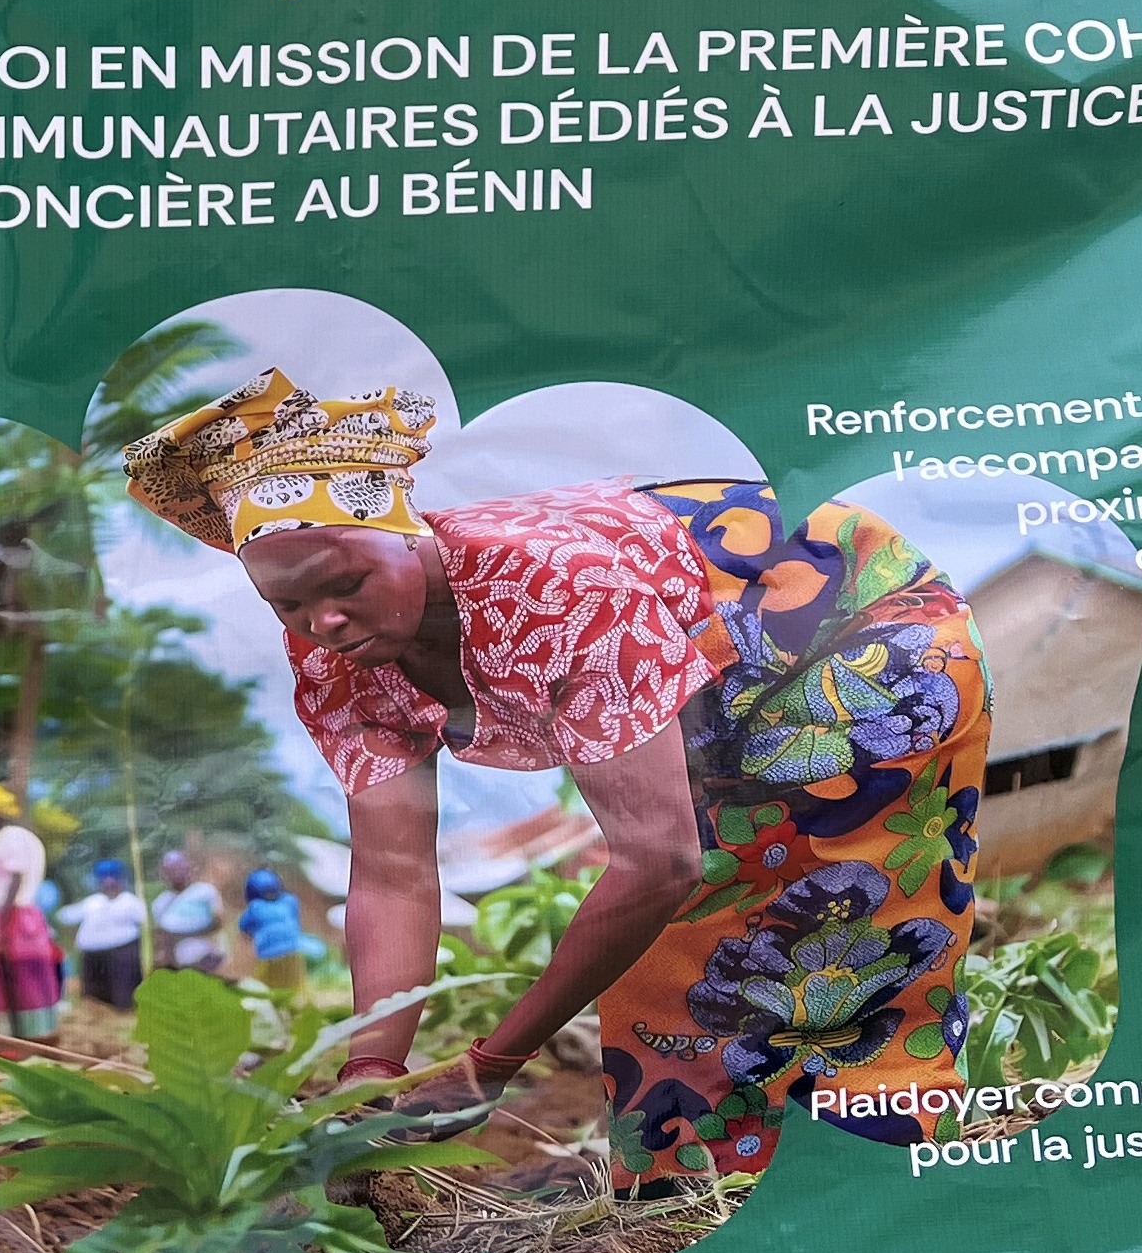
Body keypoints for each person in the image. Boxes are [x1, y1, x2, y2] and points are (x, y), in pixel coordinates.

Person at [125, 367, 987, 1195]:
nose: (325, 622)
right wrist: (371, 1067)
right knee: (693, 963)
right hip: (720, 699)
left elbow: (655, 861)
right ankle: (708, 1190)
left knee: (773, 911)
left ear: (406, 529)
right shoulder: (335, 657)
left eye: (343, 583)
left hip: (863, 638)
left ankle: (877, 1178)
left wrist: (488, 1065)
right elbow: (394, 869)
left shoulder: (549, 591)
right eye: (288, 606)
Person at [0, 822, 65, 1044]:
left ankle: (17, 1044)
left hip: (9, 921)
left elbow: (15, 878)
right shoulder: (11, 839)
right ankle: (12, 1041)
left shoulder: (13, 837)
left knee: (15, 980)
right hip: (5, 919)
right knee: (11, 980)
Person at [67, 856, 149, 1013]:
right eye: (104, 879)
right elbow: (68, 917)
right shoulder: (92, 902)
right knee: (95, 999)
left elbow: (143, 922)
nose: (108, 883)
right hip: (93, 957)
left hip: (122, 955)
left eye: (113, 878)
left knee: (122, 998)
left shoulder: (130, 901)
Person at [236, 868, 320, 1002]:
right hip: (294, 952)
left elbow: (244, 931)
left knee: (267, 991)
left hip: (269, 956)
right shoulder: (290, 901)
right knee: (296, 990)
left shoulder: (255, 908)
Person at [151, 849, 226, 978]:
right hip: (180, 968)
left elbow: (218, 923)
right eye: (171, 870)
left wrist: (181, 935)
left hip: (210, 962)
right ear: (163, 873)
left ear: (188, 868)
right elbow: (161, 939)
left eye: (179, 868)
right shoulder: (160, 903)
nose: (176, 873)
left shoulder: (205, 891)